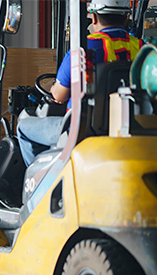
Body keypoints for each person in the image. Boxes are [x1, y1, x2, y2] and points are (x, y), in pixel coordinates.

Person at [17, 0, 143, 166]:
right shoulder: (142, 48)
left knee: (23, 126)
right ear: (126, 18)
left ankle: (40, 185)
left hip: (81, 128)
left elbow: (59, 96)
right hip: (129, 127)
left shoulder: (84, 48)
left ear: (94, 18)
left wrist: (55, 86)